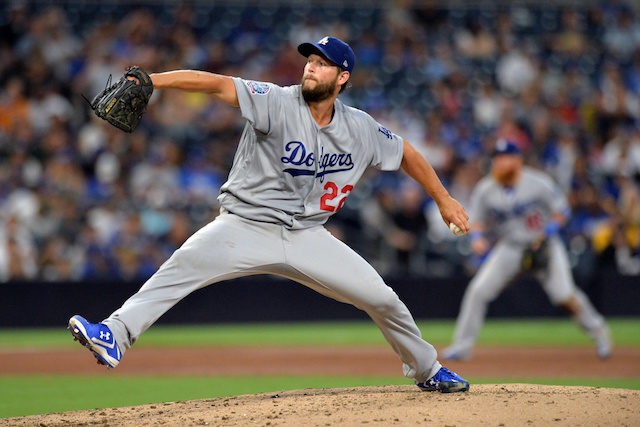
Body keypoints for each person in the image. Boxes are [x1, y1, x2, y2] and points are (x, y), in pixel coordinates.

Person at [68, 36, 471, 393]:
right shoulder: (275, 99)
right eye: (309, 60)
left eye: (322, 63)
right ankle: (114, 335)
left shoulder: (360, 127)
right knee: (179, 268)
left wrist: (444, 199)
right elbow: (217, 84)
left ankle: (427, 368)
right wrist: (156, 79)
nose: (311, 66)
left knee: (382, 298)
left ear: (342, 77)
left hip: (308, 236)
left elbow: (407, 154)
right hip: (244, 225)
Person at [442, 139, 612, 361]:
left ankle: (599, 330)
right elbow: (479, 221)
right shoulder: (486, 189)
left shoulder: (538, 183)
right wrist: (477, 238)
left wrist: (549, 230)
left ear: (517, 160)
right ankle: (461, 347)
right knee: (478, 291)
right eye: (497, 158)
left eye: (505, 157)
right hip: (510, 248)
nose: (500, 163)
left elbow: (561, 211)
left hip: (544, 246)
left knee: (564, 295)